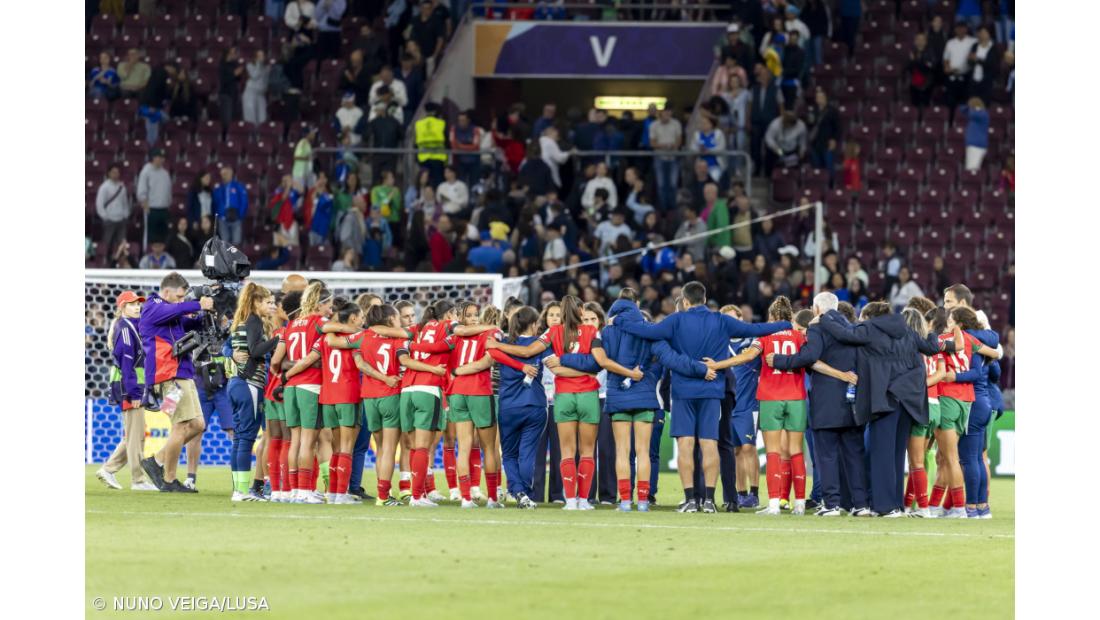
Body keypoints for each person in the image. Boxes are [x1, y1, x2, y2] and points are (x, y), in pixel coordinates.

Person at [612, 282, 791, 512]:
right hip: (712, 390)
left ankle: (690, 500)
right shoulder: (721, 320)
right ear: (704, 299)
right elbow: (754, 329)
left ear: (685, 301)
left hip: (683, 391)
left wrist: (619, 321)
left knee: (685, 444)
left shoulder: (676, 321)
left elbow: (647, 332)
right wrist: (787, 324)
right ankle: (708, 500)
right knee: (709, 443)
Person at [565, 291, 713, 512]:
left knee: (622, 451)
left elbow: (595, 363)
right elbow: (669, 359)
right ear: (636, 306)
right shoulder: (649, 330)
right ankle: (643, 501)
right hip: (645, 397)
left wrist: (564, 359)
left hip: (617, 397)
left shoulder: (607, 333)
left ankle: (625, 502)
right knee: (643, 452)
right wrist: (701, 369)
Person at [815, 301, 949, 517]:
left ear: (871, 317)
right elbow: (931, 348)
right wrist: (934, 332)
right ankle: (896, 504)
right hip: (908, 400)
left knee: (881, 454)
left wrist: (825, 317)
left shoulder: (871, 329)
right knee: (896, 455)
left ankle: (885, 507)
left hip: (885, 398)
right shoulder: (907, 331)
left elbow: (844, 334)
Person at [487, 296, 604, 510]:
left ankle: (565, 500)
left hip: (548, 398)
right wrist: (587, 372)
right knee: (586, 451)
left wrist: (499, 347)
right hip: (576, 395)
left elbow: (518, 352)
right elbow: (597, 362)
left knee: (561, 452)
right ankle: (583, 500)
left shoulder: (549, 333)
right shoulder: (591, 331)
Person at [770, 292, 868, 516]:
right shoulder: (853, 328)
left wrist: (780, 360)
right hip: (853, 400)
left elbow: (809, 356)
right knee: (854, 455)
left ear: (816, 309)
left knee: (827, 455)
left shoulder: (817, 328)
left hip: (826, 402)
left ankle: (832, 504)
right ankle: (860, 504)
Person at [138, 273, 215, 493]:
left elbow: (190, 322)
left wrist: (206, 315)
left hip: (182, 375)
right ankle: (169, 480)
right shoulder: (152, 306)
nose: (181, 301)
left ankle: (157, 460)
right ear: (166, 292)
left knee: (197, 425)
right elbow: (176, 310)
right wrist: (198, 303)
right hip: (169, 377)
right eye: (179, 297)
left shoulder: (171, 314)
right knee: (181, 426)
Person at [97, 292, 158, 491]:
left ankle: (108, 469)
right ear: (122, 307)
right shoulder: (125, 329)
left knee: (133, 435)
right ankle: (138, 480)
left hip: (133, 387)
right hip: (129, 389)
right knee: (136, 437)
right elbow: (127, 364)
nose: (137, 307)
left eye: (138, 304)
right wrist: (134, 393)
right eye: (132, 304)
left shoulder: (131, 326)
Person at [446, 303, 505, 508]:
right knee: (489, 448)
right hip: (479, 392)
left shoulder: (453, 335)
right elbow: (486, 362)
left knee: (463, 448)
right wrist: (459, 371)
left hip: (457, 392)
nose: (473, 318)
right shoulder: (491, 333)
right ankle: (492, 499)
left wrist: (455, 371)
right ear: (461, 317)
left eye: (475, 315)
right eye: (469, 315)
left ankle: (466, 498)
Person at [227, 283, 280, 502]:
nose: (271, 306)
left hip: (236, 383)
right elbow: (255, 350)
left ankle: (238, 490)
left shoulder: (241, 320)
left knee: (240, 438)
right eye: (268, 302)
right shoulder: (254, 321)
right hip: (249, 383)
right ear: (256, 302)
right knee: (247, 438)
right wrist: (278, 340)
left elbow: (230, 346)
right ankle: (241, 491)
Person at [310, 299, 364, 504]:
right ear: (353, 318)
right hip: (348, 394)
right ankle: (341, 493)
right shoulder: (356, 337)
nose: (362, 321)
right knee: (346, 447)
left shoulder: (326, 337)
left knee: (336, 448)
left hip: (328, 396)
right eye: (361, 317)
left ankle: (333, 493)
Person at [649, 105, 683, 213]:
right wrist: (664, 146)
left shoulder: (676, 123)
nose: (667, 114)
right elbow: (652, 143)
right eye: (665, 112)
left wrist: (673, 146)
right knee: (661, 185)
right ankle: (663, 210)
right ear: (661, 113)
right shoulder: (654, 125)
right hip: (659, 157)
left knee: (673, 184)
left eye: (669, 112)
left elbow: (679, 140)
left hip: (673, 157)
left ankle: (673, 209)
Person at [96, 163, 132, 260]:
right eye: (113, 172)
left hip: (121, 219)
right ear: (109, 173)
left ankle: (120, 261)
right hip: (109, 219)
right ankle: (105, 260)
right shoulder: (104, 187)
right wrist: (105, 217)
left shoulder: (122, 187)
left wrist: (125, 215)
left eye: (117, 172)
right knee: (107, 243)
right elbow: (99, 204)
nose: (115, 174)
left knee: (122, 244)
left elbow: (125, 203)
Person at [136, 149, 172, 246]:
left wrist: (168, 204)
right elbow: (141, 190)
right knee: (151, 236)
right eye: (159, 157)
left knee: (163, 236)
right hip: (151, 209)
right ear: (153, 158)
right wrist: (144, 203)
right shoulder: (146, 172)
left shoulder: (165, 173)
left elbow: (168, 191)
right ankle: (147, 253)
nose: (162, 160)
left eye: (162, 158)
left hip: (164, 209)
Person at [213, 166, 249, 245]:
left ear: (231, 174)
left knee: (236, 243)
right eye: (222, 174)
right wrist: (219, 214)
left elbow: (244, 201)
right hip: (222, 218)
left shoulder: (238, 186)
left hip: (236, 218)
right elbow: (215, 203)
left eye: (225, 173)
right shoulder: (218, 188)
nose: (224, 176)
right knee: (224, 243)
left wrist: (240, 215)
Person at [218, 47, 244, 129]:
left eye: (235, 53)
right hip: (226, 93)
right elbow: (223, 80)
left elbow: (238, 79)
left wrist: (239, 73)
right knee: (227, 118)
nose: (234, 54)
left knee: (234, 116)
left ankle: (233, 132)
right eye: (232, 53)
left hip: (234, 93)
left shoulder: (234, 64)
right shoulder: (222, 64)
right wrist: (234, 74)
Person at [963, 97, 990, 172]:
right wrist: (968, 107)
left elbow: (971, 114)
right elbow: (962, 109)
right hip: (973, 145)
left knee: (972, 169)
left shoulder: (982, 114)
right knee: (971, 168)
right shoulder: (975, 115)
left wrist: (972, 108)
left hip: (977, 145)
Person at [243, 50, 270, 125]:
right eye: (259, 56)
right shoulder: (250, 66)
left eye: (262, 55)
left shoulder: (266, 68)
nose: (261, 58)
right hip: (250, 94)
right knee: (251, 119)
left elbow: (266, 81)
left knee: (262, 118)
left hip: (261, 94)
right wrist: (258, 63)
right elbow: (254, 76)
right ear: (255, 57)